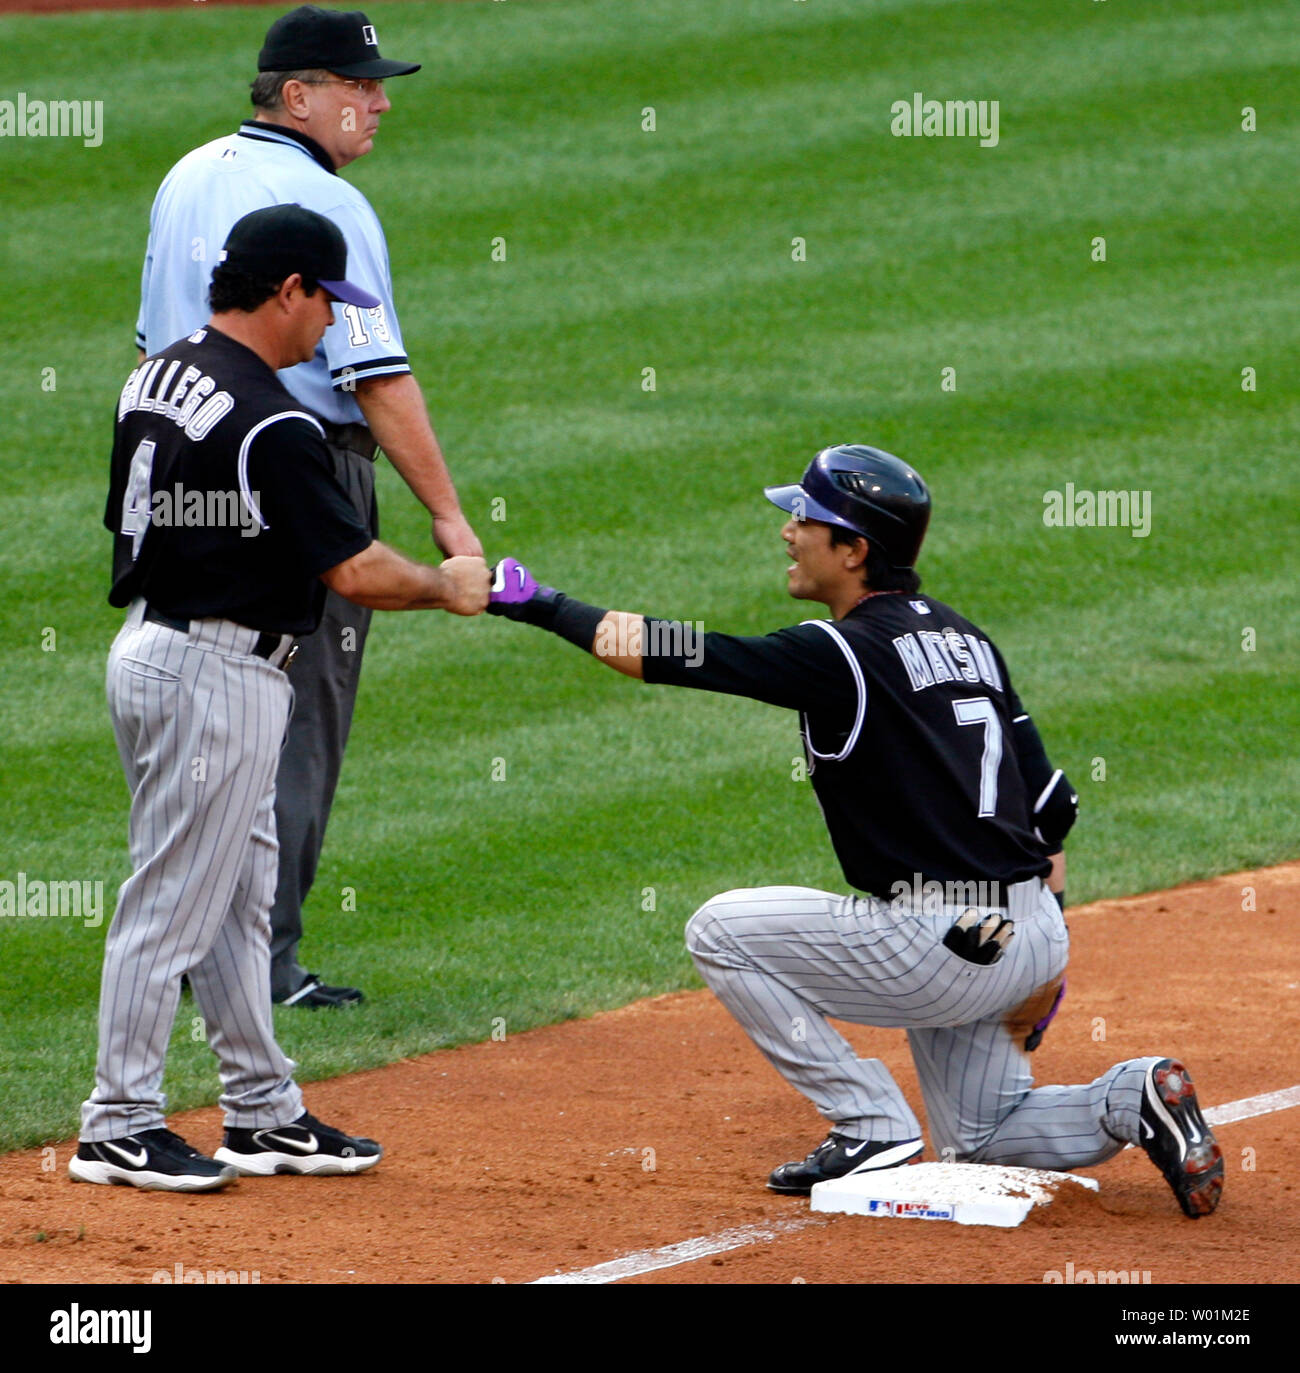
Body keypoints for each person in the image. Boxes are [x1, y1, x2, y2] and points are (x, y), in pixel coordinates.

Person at [485, 444, 1225, 1218]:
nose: (788, 531)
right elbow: (1050, 809)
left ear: (854, 549)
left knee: (720, 929)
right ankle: (1133, 1095)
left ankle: (869, 1123)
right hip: (1031, 931)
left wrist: (536, 600)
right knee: (982, 1138)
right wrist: (1045, 961)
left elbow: (671, 653)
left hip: (938, 943)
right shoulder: (970, 640)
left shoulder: (839, 652)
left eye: (805, 518)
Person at [73, 205, 490, 1192]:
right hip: (215, 673)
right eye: (325, 305)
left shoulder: (159, 372)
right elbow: (351, 569)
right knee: (172, 898)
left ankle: (261, 1109)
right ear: (288, 290)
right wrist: (446, 581)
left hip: (155, 645)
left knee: (236, 896)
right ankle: (117, 1122)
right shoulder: (274, 419)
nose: (330, 328)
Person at [135, 5, 482, 1008]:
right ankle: (262, 967)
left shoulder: (184, 176)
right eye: (358, 84)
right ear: (298, 95)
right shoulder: (324, 210)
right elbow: (375, 377)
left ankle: (180, 950)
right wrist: (449, 521)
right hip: (299, 465)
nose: (376, 102)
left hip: (179, 459)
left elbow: (155, 344)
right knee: (291, 721)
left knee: (195, 714)